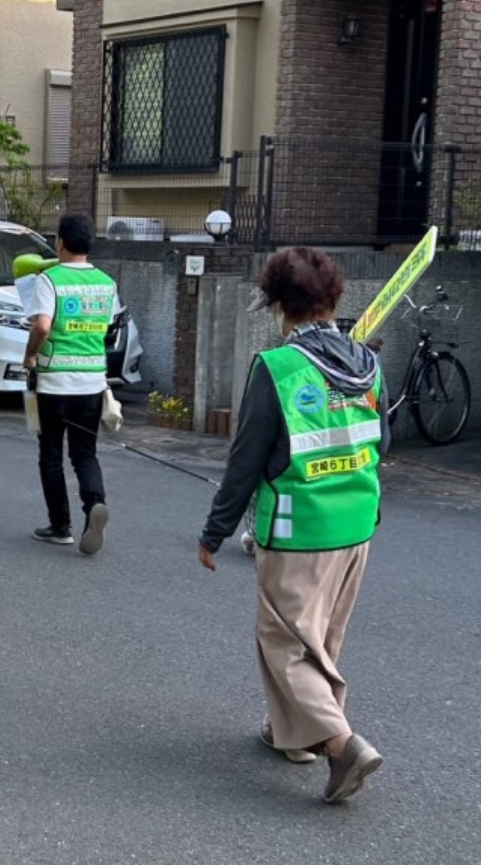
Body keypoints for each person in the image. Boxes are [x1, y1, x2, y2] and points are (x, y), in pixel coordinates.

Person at [197, 246, 389, 804]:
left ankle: (340, 743)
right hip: (357, 521)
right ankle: (296, 739)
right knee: (322, 638)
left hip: (298, 526)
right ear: (334, 298)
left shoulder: (278, 367)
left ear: (280, 305)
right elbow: (383, 443)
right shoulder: (368, 362)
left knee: (283, 641)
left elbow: (247, 457)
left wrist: (215, 531)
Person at [22, 211, 119, 555]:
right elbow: (106, 327)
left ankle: (60, 526)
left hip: (55, 383)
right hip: (92, 383)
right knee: (85, 454)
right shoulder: (107, 284)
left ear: (59, 242)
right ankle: (94, 503)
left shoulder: (50, 279)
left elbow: (43, 326)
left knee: (51, 454)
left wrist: (30, 355)